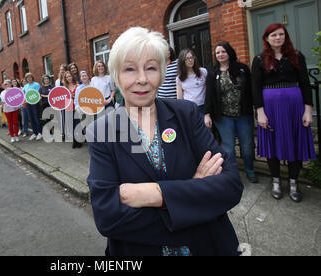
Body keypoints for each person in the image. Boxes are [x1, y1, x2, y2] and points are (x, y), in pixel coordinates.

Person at [87, 27, 243, 256]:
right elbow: (108, 218)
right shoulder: (102, 131)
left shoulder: (186, 114)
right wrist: (194, 189)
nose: (142, 79)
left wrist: (156, 194)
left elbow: (230, 185)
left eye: (151, 68)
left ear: (161, 73)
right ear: (116, 76)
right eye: (129, 69)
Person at [252, 23, 316, 202]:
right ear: (266, 38)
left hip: (295, 108)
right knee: (273, 144)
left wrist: (308, 110)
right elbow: (255, 89)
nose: (278, 38)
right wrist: (260, 113)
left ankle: (294, 182)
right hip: (270, 109)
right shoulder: (259, 59)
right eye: (273, 35)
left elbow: (305, 84)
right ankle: (276, 181)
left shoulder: (296, 56)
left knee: (296, 143)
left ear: (285, 36)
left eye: (281, 34)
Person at [205, 41, 258, 184]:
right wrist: (207, 114)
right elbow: (209, 95)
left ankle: (249, 169)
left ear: (229, 52)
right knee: (228, 147)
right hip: (223, 117)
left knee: (247, 145)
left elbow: (252, 90)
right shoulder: (213, 73)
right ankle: (233, 173)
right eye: (217, 53)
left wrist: (258, 108)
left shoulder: (242, 69)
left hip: (244, 115)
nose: (220, 55)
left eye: (223, 51)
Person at [176, 49, 208, 116]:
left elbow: (209, 89)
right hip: (190, 108)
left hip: (204, 107)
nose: (190, 60)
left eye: (191, 57)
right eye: (187, 58)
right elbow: (179, 98)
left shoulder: (203, 72)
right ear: (182, 61)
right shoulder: (179, 78)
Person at [63, 71, 81, 148]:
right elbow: (62, 99)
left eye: (70, 76)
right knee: (71, 125)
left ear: (72, 76)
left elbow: (81, 96)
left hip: (77, 107)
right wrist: (68, 96)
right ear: (65, 78)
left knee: (77, 124)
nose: (69, 78)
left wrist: (74, 96)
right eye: (67, 77)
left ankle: (79, 141)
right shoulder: (64, 88)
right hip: (68, 107)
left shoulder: (78, 85)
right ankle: (74, 140)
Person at [23, 73, 43, 141]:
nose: (29, 78)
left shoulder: (36, 84)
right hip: (28, 104)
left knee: (36, 118)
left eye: (30, 77)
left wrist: (34, 101)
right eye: (27, 77)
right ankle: (35, 133)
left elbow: (38, 94)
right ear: (26, 79)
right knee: (31, 119)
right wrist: (24, 101)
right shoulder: (25, 86)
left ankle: (40, 133)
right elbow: (23, 95)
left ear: (32, 77)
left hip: (35, 103)